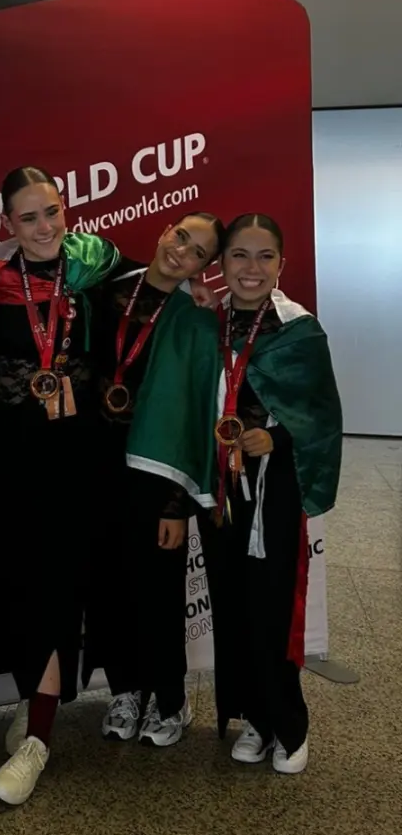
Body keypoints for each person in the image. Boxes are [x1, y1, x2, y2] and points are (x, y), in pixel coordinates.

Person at [128, 213, 342, 774]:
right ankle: (250, 716)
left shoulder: (299, 330)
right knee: (232, 605)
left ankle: (286, 724)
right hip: (217, 491)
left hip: (272, 490)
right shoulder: (207, 323)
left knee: (271, 606)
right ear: (221, 265)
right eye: (239, 256)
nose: (251, 268)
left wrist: (272, 436)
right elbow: (183, 412)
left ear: (282, 264)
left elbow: (320, 418)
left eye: (264, 256)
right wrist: (179, 498)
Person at [0, 166, 121, 806]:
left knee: (61, 585)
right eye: (29, 217)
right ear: (7, 224)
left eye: (52, 211)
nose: (45, 226)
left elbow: (163, 277)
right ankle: (39, 702)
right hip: (10, 458)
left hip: (80, 458)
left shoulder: (97, 266)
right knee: (20, 583)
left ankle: (40, 735)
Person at [84, 213, 225, 747]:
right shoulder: (105, 288)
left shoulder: (193, 316)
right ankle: (124, 689)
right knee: (106, 582)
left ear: (204, 269)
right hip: (97, 464)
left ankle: (169, 696)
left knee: (156, 587)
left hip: (155, 471)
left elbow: (193, 411)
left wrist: (175, 505)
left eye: (197, 252)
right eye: (180, 237)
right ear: (166, 231)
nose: (181, 251)